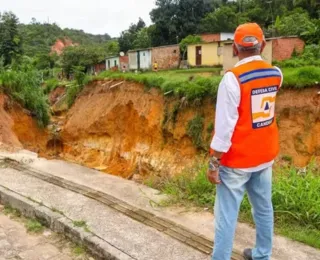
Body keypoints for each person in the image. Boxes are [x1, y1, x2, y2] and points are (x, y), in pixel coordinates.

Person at [208, 23, 283, 260]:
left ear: (235, 49)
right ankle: (262, 254)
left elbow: (224, 128)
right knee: (263, 208)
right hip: (264, 157)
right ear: (262, 45)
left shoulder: (232, 80)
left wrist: (214, 162)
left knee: (227, 216)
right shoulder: (276, 74)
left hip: (237, 161)